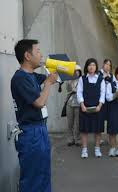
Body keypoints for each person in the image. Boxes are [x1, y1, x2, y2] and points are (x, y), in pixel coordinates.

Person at [11, 39, 57, 192]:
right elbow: (39, 102)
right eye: (37, 51)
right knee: (33, 179)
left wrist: (70, 69)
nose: (41, 54)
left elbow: (54, 77)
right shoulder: (19, 78)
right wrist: (49, 83)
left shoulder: (32, 76)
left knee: (43, 175)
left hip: (40, 130)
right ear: (27, 56)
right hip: (31, 133)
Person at [77, 58, 105, 158]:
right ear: (86, 67)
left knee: (97, 130)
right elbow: (79, 92)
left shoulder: (101, 79)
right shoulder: (82, 79)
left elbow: (103, 93)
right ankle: (84, 150)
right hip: (85, 107)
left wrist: (100, 105)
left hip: (97, 108)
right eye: (89, 65)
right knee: (84, 130)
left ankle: (97, 149)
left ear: (96, 67)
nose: (91, 67)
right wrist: (82, 104)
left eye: (93, 65)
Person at [66, 65, 82, 146]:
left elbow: (82, 91)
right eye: (74, 71)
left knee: (78, 122)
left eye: (78, 71)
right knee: (70, 122)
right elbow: (67, 90)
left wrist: (76, 90)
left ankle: (78, 139)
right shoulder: (69, 80)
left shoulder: (82, 80)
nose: (76, 72)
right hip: (70, 102)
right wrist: (71, 87)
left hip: (78, 103)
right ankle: (70, 139)